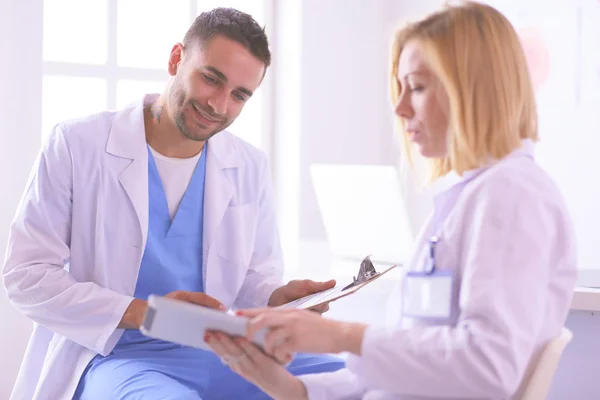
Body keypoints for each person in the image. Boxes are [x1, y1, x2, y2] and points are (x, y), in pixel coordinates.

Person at [205, 2, 578, 399]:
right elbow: (410, 368)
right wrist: (288, 387)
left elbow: (488, 366)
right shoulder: (471, 199)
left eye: (416, 87)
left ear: (474, 86)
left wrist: (340, 335)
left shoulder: (513, 196)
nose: (399, 109)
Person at [1, 8, 344, 400]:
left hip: (225, 351)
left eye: (239, 95)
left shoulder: (248, 165)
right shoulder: (78, 144)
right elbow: (25, 276)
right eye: (211, 79)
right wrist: (147, 314)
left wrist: (275, 298)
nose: (218, 104)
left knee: (359, 381)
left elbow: (251, 278)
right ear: (176, 59)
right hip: (118, 355)